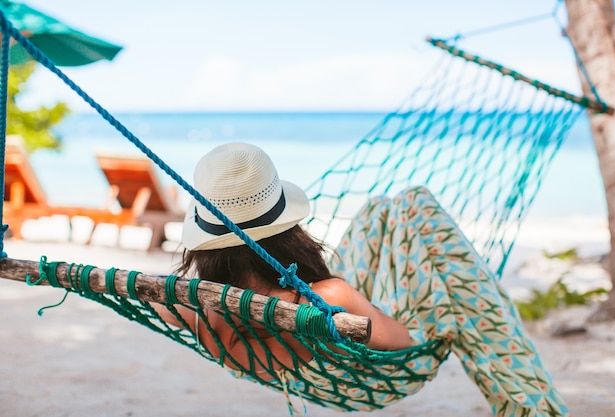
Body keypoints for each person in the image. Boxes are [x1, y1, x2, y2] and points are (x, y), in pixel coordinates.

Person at [155, 142, 570, 416]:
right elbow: (405, 343)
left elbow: (151, 299)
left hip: (305, 349)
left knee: (379, 210)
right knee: (414, 204)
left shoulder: (198, 308)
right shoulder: (331, 295)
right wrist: (356, 302)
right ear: (287, 231)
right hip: (389, 354)